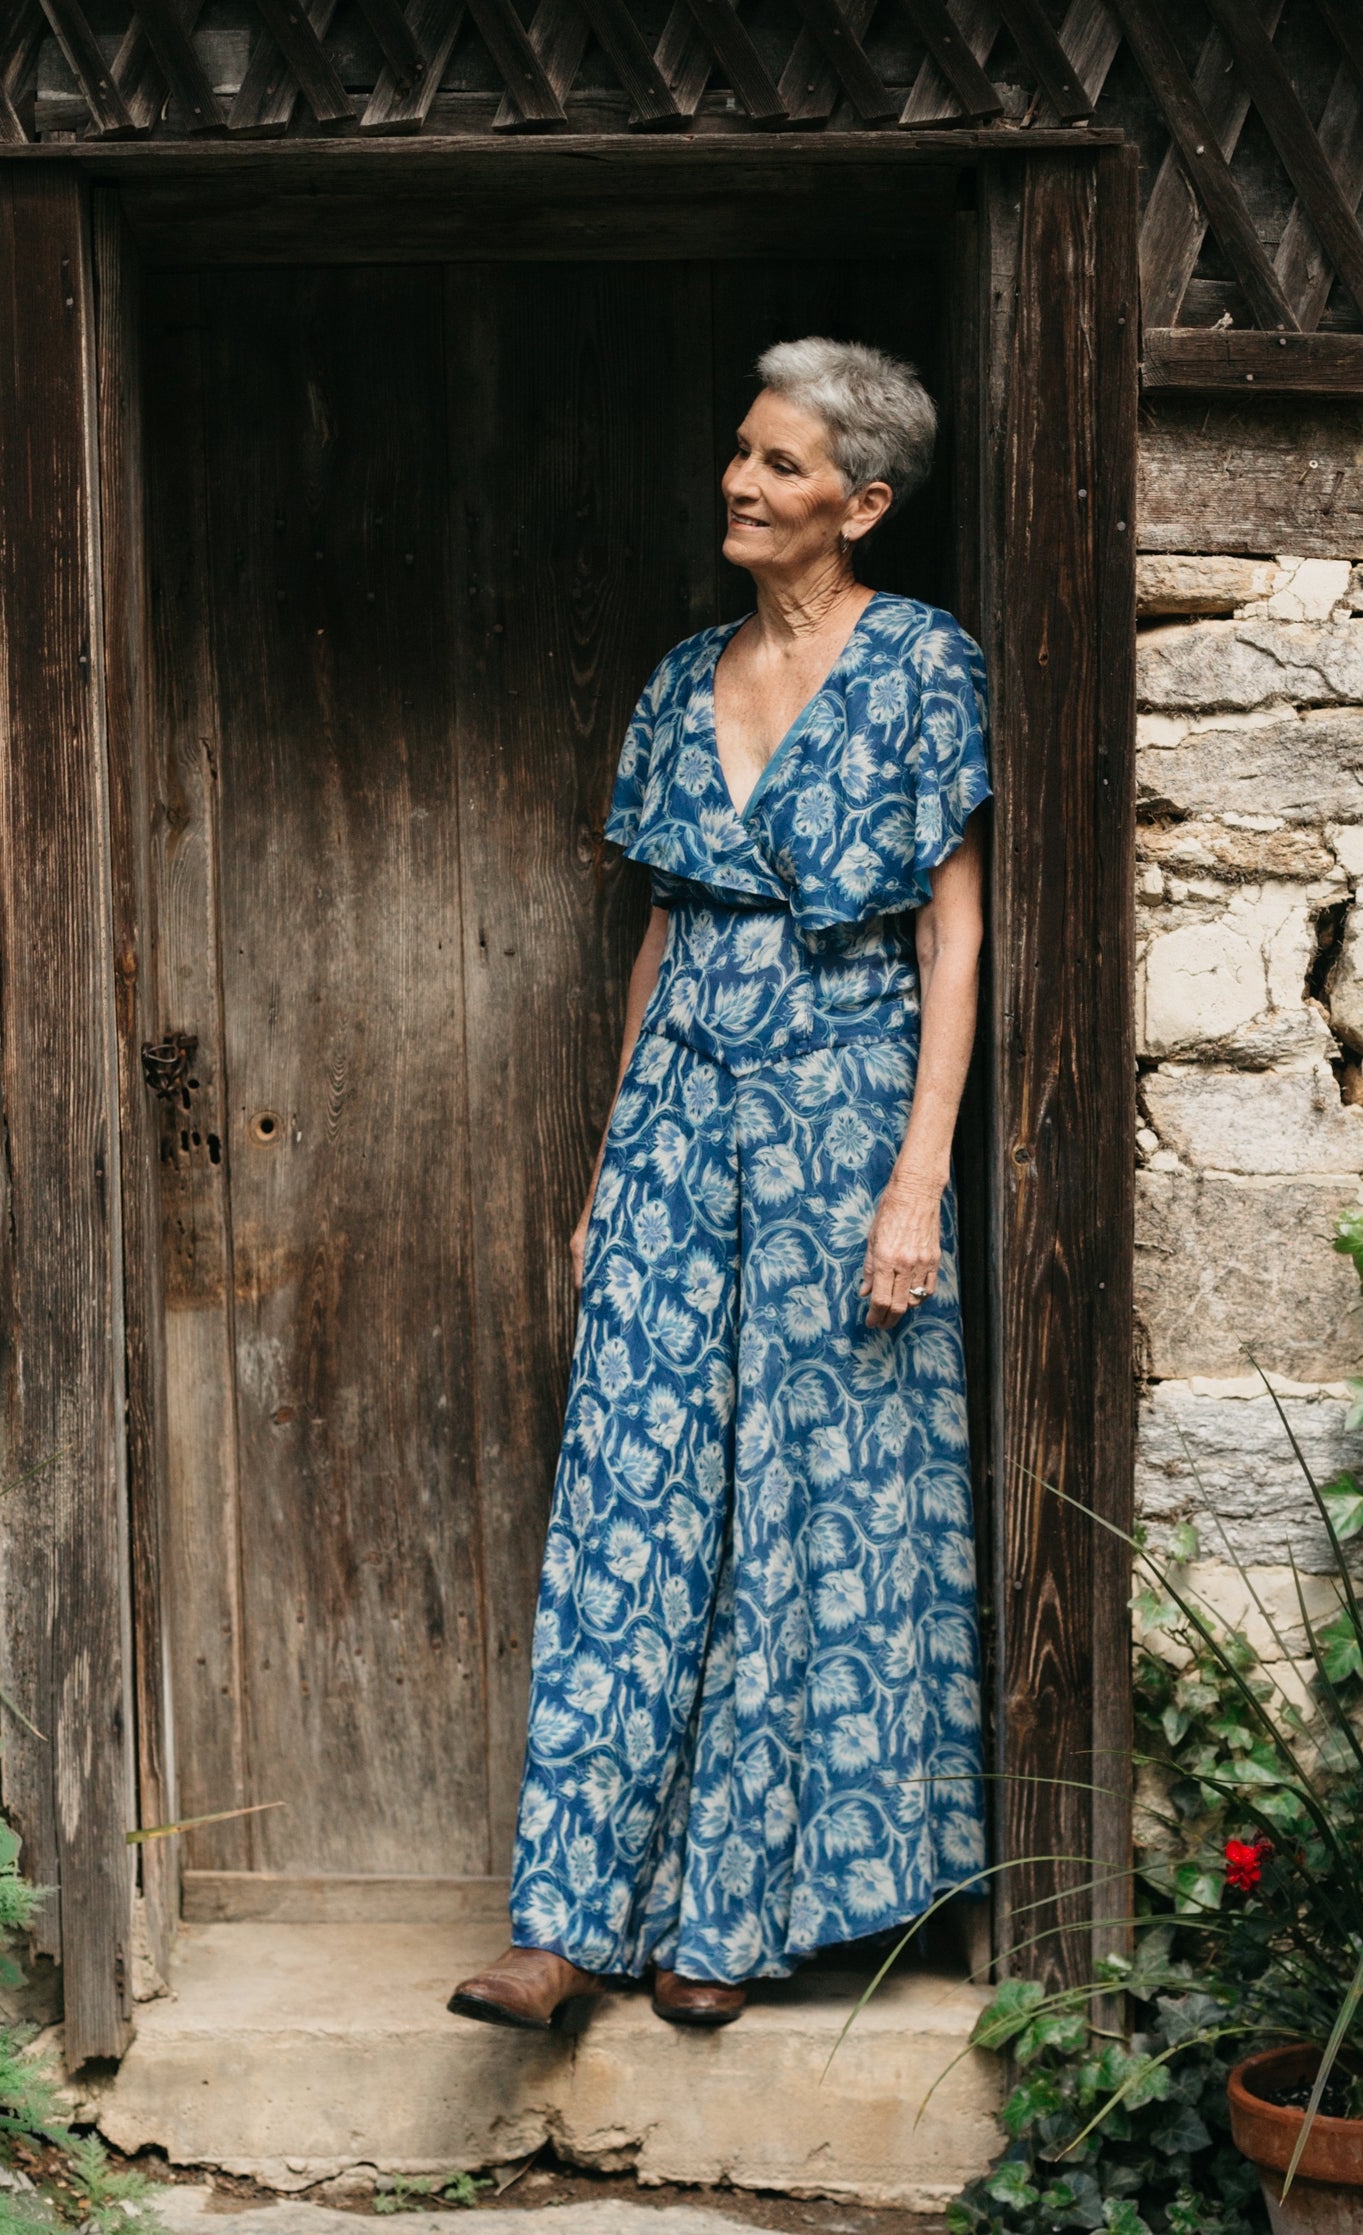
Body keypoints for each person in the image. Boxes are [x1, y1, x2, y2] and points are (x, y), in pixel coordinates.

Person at [450, 336, 990, 2033]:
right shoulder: (685, 675)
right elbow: (667, 929)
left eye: (780, 465)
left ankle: (730, 1920)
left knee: (801, 1496)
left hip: (842, 1109)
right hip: (683, 1106)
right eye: (742, 455)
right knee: (634, 1485)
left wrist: (919, 1180)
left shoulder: (922, 667)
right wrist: (616, 1159)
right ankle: (560, 1925)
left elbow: (952, 931)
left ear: (865, 502)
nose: (742, 484)